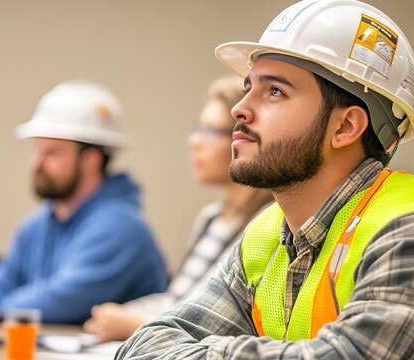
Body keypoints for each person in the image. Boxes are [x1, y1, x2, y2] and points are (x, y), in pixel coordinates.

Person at [117, 1, 414, 358]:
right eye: (249, 87)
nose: (240, 110)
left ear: (346, 126)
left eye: (275, 91)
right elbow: (143, 345)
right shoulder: (267, 236)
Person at [0, 80, 170, 324]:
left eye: (53, 153)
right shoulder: (37, 225)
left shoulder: (121, 228)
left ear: (91, 159)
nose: (37, 164)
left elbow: (61, 300)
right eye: (37, 150)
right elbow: (4, 277)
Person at [83, 77, 273, 341]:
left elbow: (216, 321)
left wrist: (133, 324)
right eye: (197, 129)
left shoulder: (265, 225)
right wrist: (123, 315)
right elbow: (179, 299)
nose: (194, 142)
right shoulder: (211, 218)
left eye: (211, 131)